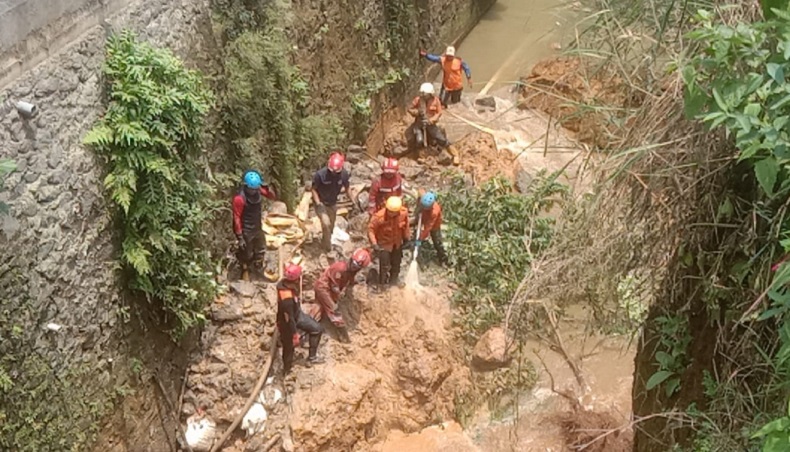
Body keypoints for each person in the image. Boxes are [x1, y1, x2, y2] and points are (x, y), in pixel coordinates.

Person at [275, 263, 324, 374]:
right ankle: (286, 371)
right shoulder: (286, 299)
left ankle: (312, 357)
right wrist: (294, 335)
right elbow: (289, 319)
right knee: (289, 349)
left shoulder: (284, 284)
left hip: (297, 314)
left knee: (317, 328)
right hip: (289, 323)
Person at [311, 248, 372, 327]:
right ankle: (338, 325)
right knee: (333, 309)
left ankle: (309, 324)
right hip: (323, 288)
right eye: (353, 263)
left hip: (329, 290)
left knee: (320, 308)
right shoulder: (340, 268)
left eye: (357, 266)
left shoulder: (350, 272)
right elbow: (334, 286)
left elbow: (350, 280)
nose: (354, 266)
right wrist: (338, 296)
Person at [233, 170, 277, 280]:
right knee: (246, 253)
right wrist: (240, 236)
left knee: (261, 248)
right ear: (246, 187)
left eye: (255, 188)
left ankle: (258, 267)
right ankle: (244, 269)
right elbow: (236, 217)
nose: (254, 191)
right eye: (251, 189)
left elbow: (272, 196)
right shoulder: (239, 198)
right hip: (246, 229)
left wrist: (267, 188)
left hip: (257, 226)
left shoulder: (258, 190)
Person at [312, 152, 351, 251]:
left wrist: (353, 200)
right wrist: (318, 203)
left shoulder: (344, 175)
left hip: (332, 203)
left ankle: (324, 241)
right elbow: (313, 190)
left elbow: (347, 188)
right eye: (331, 171)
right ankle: (327, 248)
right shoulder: (320, 175)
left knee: (331, 226)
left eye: (336, 172)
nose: (333, 173)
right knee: (326, 223)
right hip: (321, 203)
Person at [368, 196, 410, 286]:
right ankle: (382, 284)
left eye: (393, 212)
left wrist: (407, 238)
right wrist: (374, 244)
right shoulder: (379, 217)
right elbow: (371, 230)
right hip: (384, 245)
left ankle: (393, 282)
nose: (391, 213)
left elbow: (405, 226)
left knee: (396, 263)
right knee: (384, 266)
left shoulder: (403, 214)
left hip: (397, 243)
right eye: (390, 211)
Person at [406, 83, 452, 154]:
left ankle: (453, 153)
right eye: (423, 93)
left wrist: (432, 120)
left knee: (440, 138)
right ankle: (419, 153)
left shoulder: (436, 101)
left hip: (430, 123)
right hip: (419, 123)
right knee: (419, 140)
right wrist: (416, 112)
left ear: (430, 93)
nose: (424, 95)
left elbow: (439, 113)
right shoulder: (418, 100)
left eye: (425, 93)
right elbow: (409, 108)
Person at [414, 191, 448, 265]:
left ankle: (443, 258)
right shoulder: (422, 198)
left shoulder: (434, 212)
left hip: (434, 225)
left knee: (437, 241)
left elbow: (428, 228)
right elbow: (419, 194)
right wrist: (417, 212)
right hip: (422, 216)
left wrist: (420, 238)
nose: (425, 208)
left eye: (426, 208)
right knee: (415, 223)